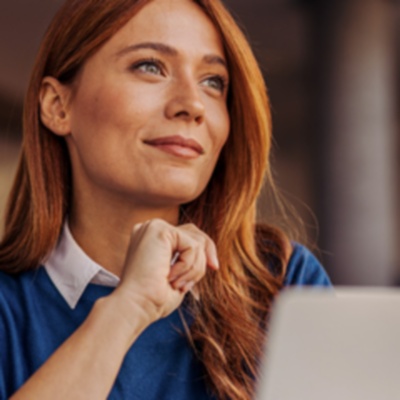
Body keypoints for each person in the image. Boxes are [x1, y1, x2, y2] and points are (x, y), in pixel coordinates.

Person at [0, 0, 331, 399]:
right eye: (150, 67)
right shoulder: (8, 307)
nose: (192, 105)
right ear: (58, 106)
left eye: (213, 82)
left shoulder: (282, 283)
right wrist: (127, 309)